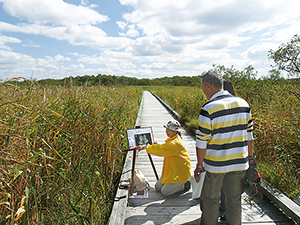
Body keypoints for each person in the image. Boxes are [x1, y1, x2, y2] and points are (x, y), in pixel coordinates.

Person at [194, 71, 254, 225]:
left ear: (208, 85)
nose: (203, 92)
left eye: (203, 88)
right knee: (234, 201)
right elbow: (249, 137)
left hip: (216, 165)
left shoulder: (208, 108)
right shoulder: (244, 104)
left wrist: (199, 166)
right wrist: (250, 159)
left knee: (210, 200)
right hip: (240, 163)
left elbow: (201, 142)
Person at [137, 120, 192, 196]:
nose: (167, 131)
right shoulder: (173, 140)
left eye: (169, 130)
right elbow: (165, 148)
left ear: (175, 131)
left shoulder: (175, 143)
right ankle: (174, 184)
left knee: (165, 192)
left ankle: (185, 184)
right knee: (157, 187)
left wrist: (146, 147)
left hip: (180, 173)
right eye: (166, 129)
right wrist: (157, 145)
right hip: (173, 171)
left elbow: (162, 150)